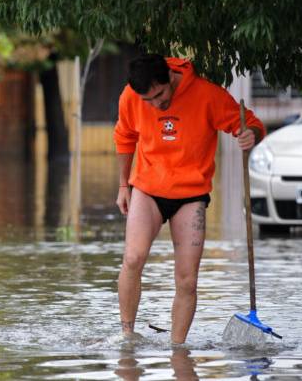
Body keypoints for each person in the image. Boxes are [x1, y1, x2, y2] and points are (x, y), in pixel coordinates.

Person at [113, 53, 265, 344]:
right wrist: (123, 185)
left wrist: (249, 135)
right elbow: (125, 136)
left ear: (169, 77)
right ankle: (127, 337)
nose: (155, 104)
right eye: (148, 100)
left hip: (191, 196)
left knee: (187, 279)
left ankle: (177, 348)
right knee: (132, 258)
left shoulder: (207, 95)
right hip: (147, 189)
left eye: (159, 95)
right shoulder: (131, 96)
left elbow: (250, 124)